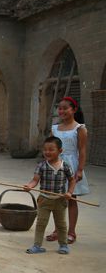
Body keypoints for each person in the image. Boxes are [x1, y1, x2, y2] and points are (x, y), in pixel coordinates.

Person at [46, 96, 89, 244]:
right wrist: (48, 165)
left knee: (71, 199)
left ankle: (71, 232)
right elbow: (50, 148)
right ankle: (58, 230)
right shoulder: (55, 128)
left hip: (71, 165)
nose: (62, 111)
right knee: (56, 199)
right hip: (56, 165)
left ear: (74, 110)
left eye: (65, 108)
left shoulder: (80, 129)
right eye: (60, 108)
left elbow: (82, 150)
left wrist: (80, 170)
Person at [24, 136, 76, 255]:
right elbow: (35, 180)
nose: (47, 152)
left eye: (51, 149)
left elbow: (72, 180)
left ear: (60, 151)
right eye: (45, 149)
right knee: (41, 223)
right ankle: (37, 246)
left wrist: (69, 193)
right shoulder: (41, 166)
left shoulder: (66, 166)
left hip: (60, 200)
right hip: (44, 200)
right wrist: (29, 186)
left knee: (61, 224)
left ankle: (63, 245)